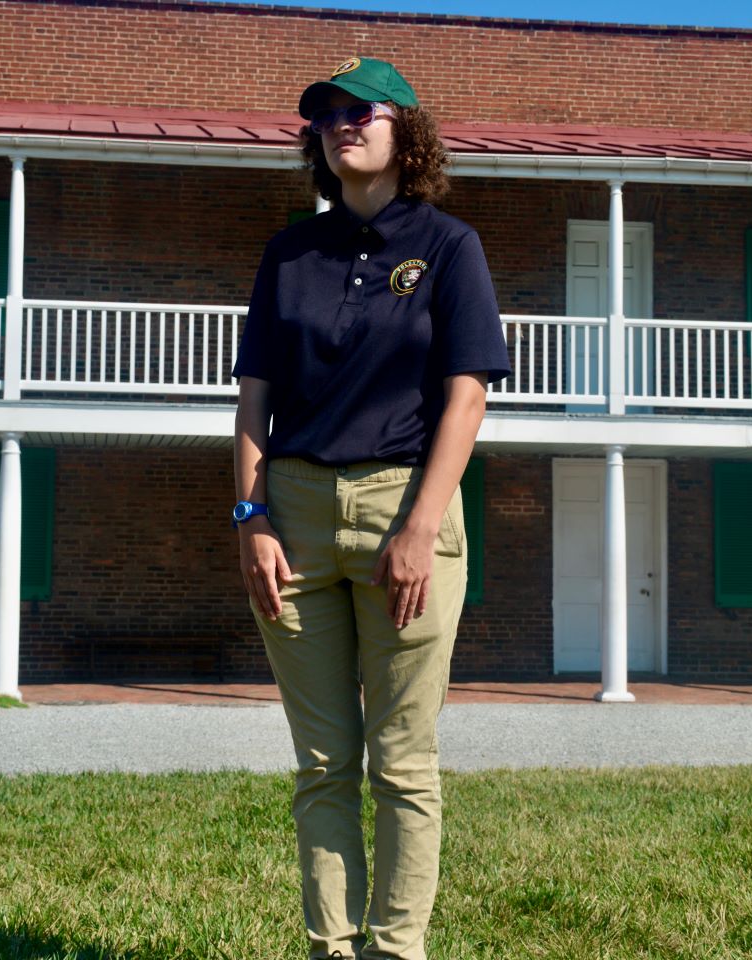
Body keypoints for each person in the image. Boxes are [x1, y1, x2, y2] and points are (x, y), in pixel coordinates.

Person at [231, 57, 510, 960]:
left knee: (402, 764)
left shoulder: (448, 246)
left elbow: (467, 396)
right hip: (296, 515)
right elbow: (253, 400)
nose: (342, 123)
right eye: (327, 115)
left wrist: (421, 531)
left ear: (408, 131)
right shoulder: (288, 254)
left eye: (363, 110)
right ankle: (331, 949)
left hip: (406, 504)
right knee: (321, 765)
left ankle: (396, 951)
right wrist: (252, 520)